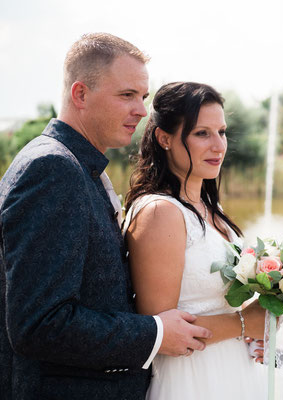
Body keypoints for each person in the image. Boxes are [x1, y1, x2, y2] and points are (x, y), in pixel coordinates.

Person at [0, 33, 211, 400]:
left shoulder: (83, 165)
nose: (142, 111)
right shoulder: (54, 168)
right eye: (126, 95)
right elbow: (39, 325)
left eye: (143, 97)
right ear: (80, 94)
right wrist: (156, 332)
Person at [123, 81, 267, 399]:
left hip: (232, 371)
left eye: (222, 132)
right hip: (191, 379)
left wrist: (263, 311)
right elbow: (161, 333)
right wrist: (246, 322)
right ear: (164, 138)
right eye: (202, 133)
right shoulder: (161, 212)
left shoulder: (210, 207)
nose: (218, 145)